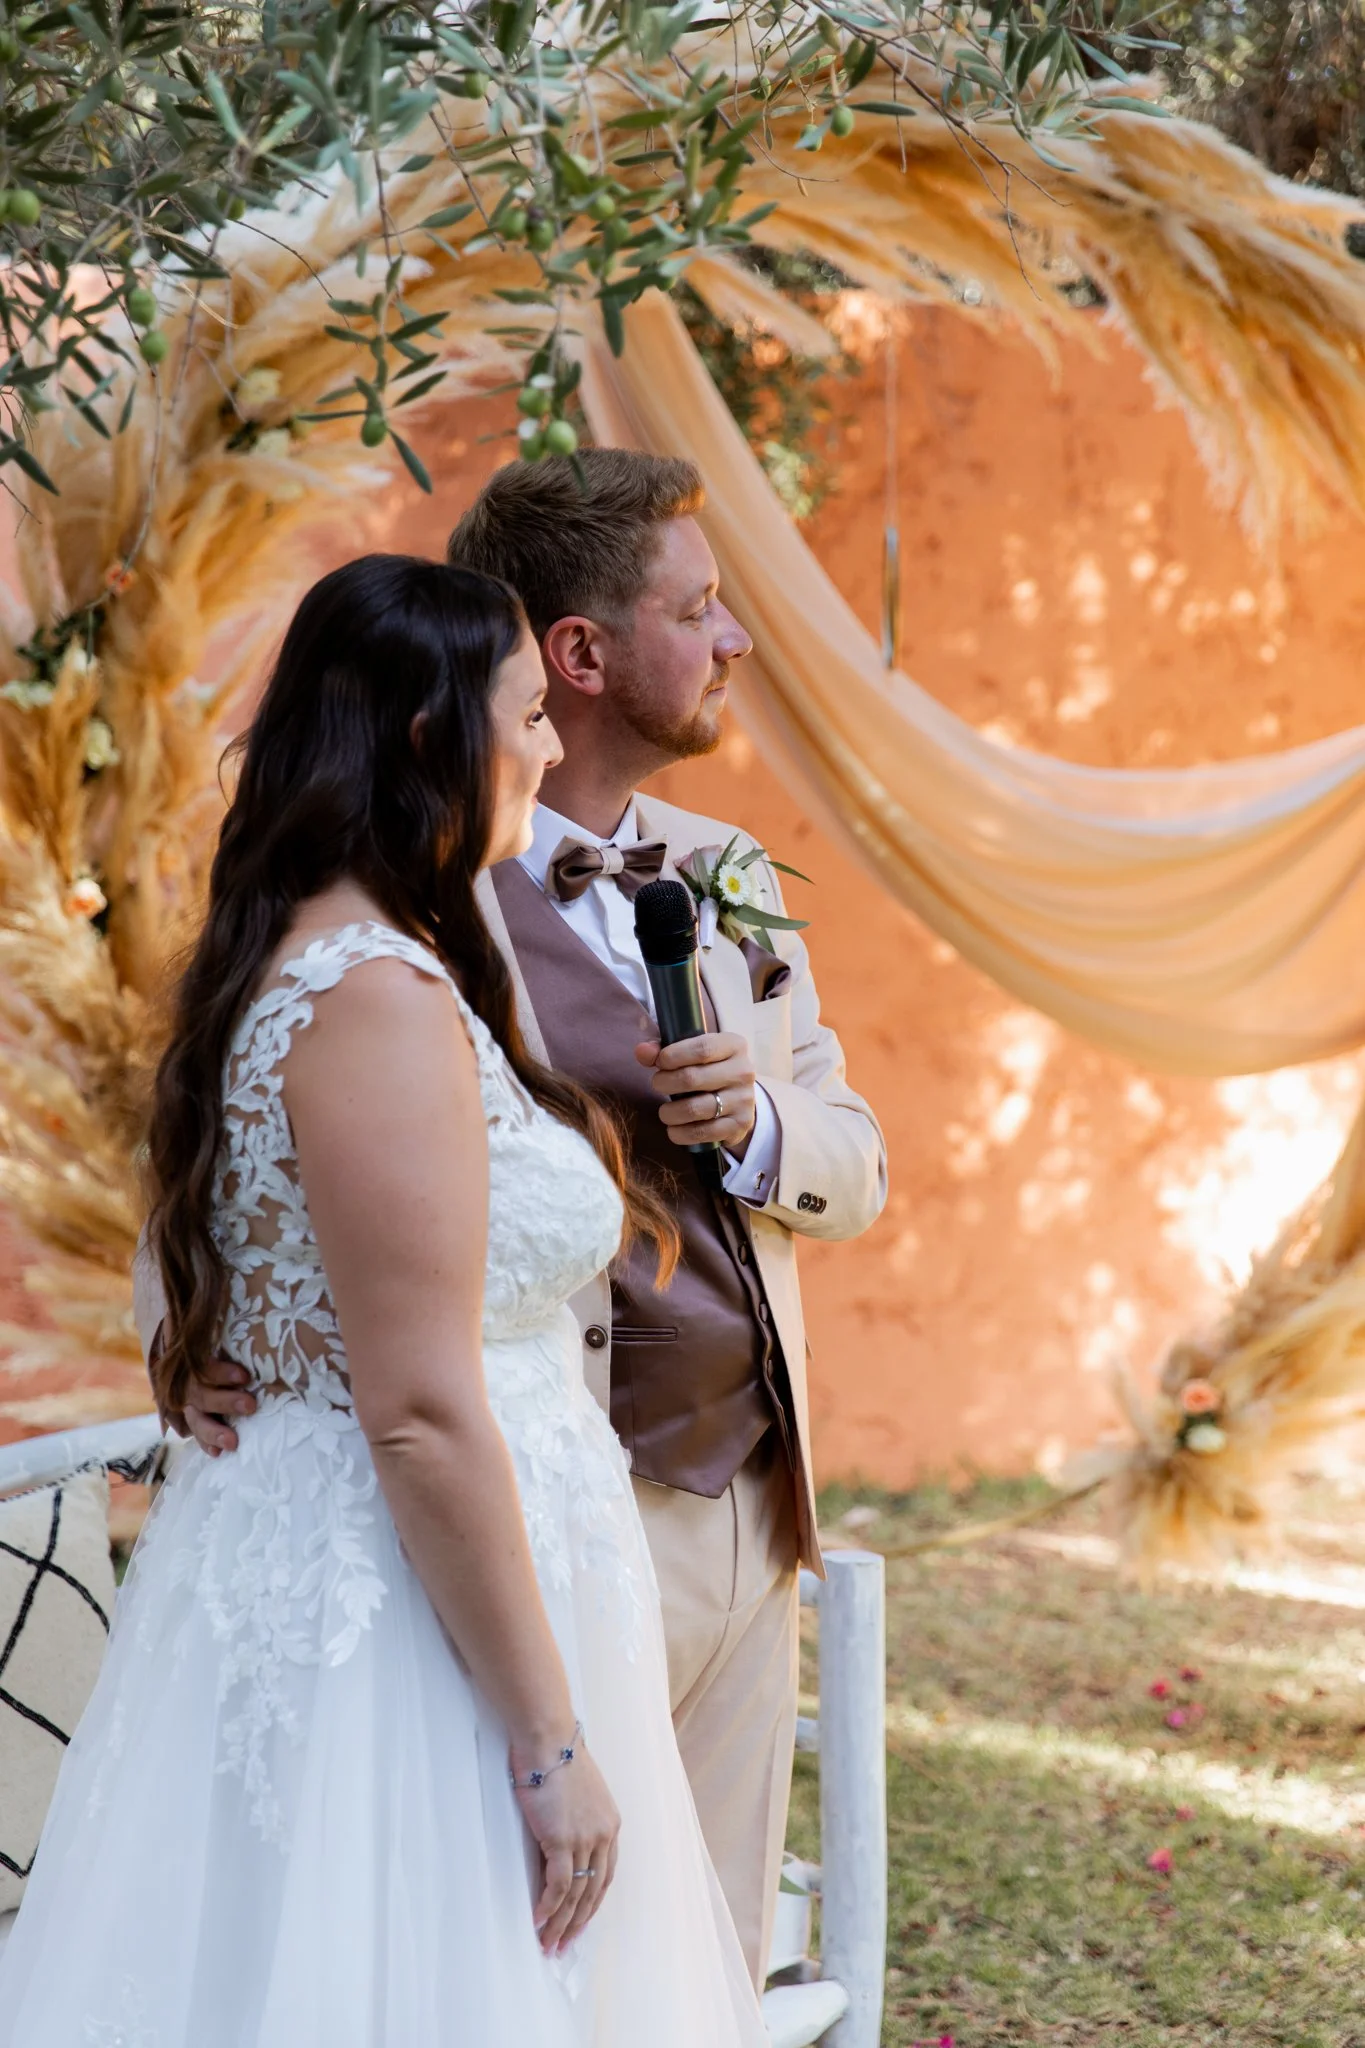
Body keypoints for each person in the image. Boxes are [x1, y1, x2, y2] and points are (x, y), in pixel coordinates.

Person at [0, 556, 766, 2046]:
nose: (547, 751)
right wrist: (549, 1751)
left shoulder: (332, 957)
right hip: (409, 1626)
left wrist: (212, 1334)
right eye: (528, 716)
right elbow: (417, 1409)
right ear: (430, 738)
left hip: (429, 1565)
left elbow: (260, 1240)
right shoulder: (374, 996)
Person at [173, 451, 888, 1985]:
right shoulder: (409, 907)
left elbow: (857, 1151)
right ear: (573, 657)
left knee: (700, 1959)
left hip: (744, 1507)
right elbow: (261, 1148)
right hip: (529, 1509)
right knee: (520, 1960)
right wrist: (201, 1325)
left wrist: (758, 1130)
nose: (733, 638)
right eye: (697, 608)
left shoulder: (730, 871)